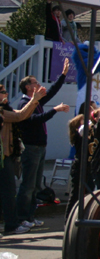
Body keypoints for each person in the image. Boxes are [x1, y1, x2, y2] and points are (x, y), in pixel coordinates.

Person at [15, 59, 71, 228]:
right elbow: (35, 120)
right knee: (28, 184)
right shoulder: (24, 104)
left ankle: (30, 217)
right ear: (28, 87)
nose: (38, 84)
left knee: (36, 185)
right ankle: (21, 217)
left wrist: (63, 75)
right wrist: (55, 110)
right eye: (35, 83)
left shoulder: (36, 102)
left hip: (40, 147)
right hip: (31, 148)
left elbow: (52, 92)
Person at [0, 83, 46, 238]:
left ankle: (12, 223)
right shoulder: (2, 112)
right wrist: (34, 100)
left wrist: (35, 100)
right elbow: (20, 116)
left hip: (7, 154)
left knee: (9, 191)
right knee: (9, 191)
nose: (6, 94)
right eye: (3, 92)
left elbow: (20, 114)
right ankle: (11, 225)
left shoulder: (5, 109)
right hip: (2, 155)